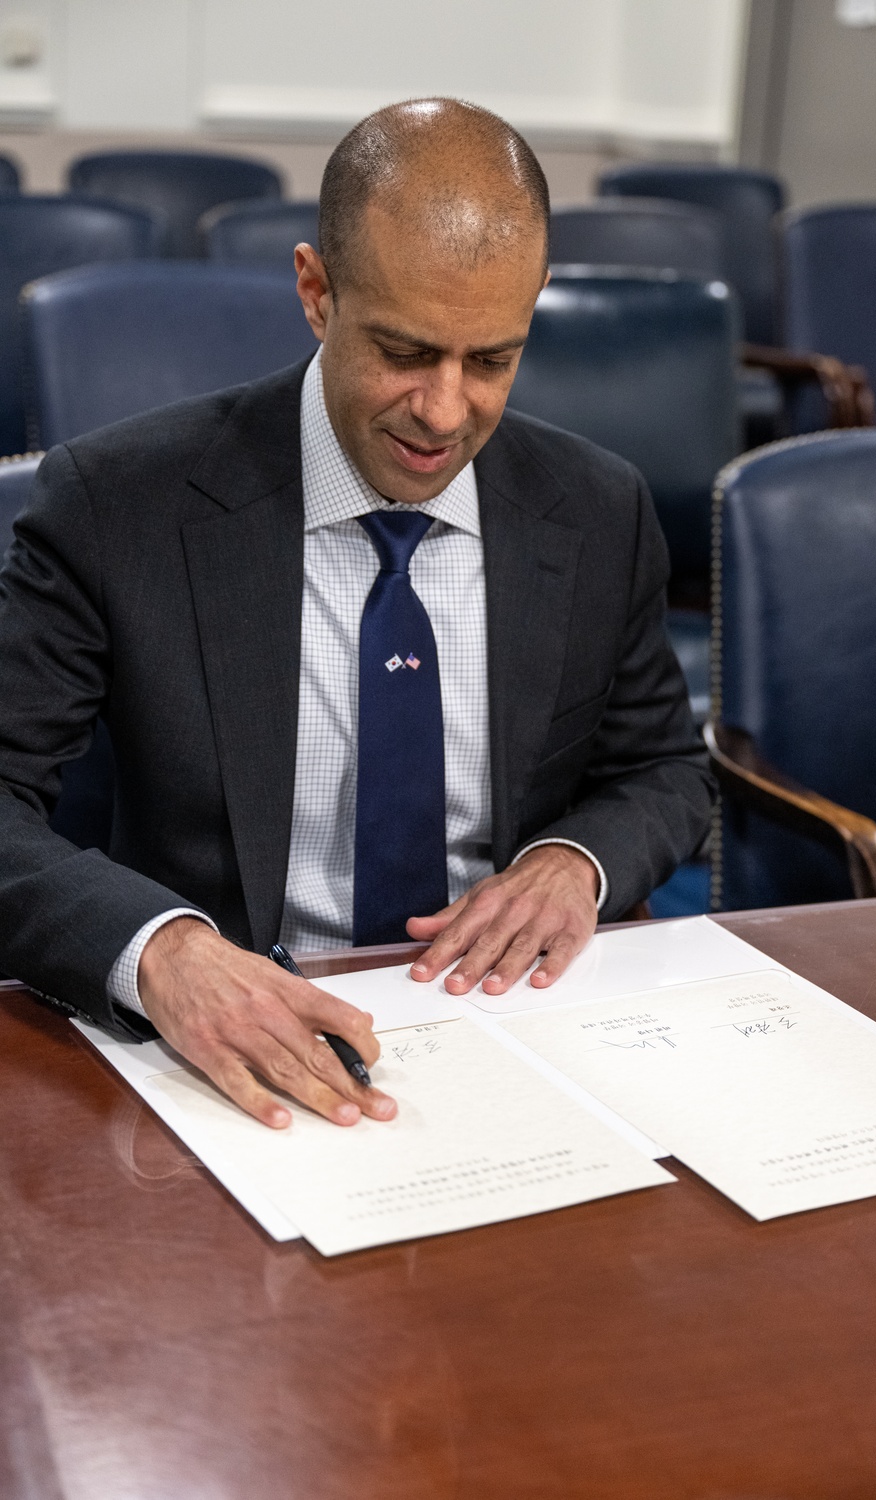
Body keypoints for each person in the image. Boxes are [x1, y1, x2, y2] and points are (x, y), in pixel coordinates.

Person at [0, 99, 713, 1130]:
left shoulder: (595, 510)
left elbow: (661, 769)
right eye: (405, 351)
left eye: (491, 360)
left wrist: (572, 862)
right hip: (228, 1044)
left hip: (514, 1034)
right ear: (315, 292)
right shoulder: (120, 504)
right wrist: (163, 950)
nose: (442, 410)